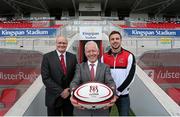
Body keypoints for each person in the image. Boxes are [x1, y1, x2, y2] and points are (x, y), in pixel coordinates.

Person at [70, 41, 116, 116]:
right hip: (82, 109)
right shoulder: (79, 67)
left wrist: (112, 94)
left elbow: (111, 82)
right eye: (88, 51)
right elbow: (74, 82)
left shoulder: (105, 67)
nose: (91, 54)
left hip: (101, 109)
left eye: (93, 51)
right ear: (85, 53)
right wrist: (73, 95)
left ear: (98, 52)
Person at [41, 35, 77, 116]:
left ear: (67, 44)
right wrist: (61, 92)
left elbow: (76, 76)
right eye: (59, 43)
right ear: (56, 44)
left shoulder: (73, 57)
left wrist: (68, 90)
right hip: (53, 98)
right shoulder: (47, 57)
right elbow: (46, 78)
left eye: (64, 43)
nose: (62, 45)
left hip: (69, 98)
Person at [101, 31, 136, 116]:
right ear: (109, 41)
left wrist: (118, 92)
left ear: (121, 40)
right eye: (112, 39)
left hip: (123, 95)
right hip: (107, 94)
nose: (115, 41)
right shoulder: (104, 57)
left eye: (117, 38)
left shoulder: (129, 55)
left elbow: (130, 77)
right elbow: (102, 76)